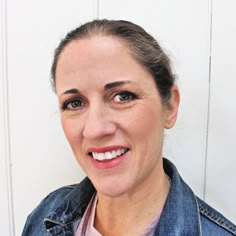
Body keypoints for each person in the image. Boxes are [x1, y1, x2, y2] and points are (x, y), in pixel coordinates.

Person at [22, 19, 236, 236]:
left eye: (123, 96)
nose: (95, 129)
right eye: (75, 103)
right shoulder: (43, 216)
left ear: (170, 106)